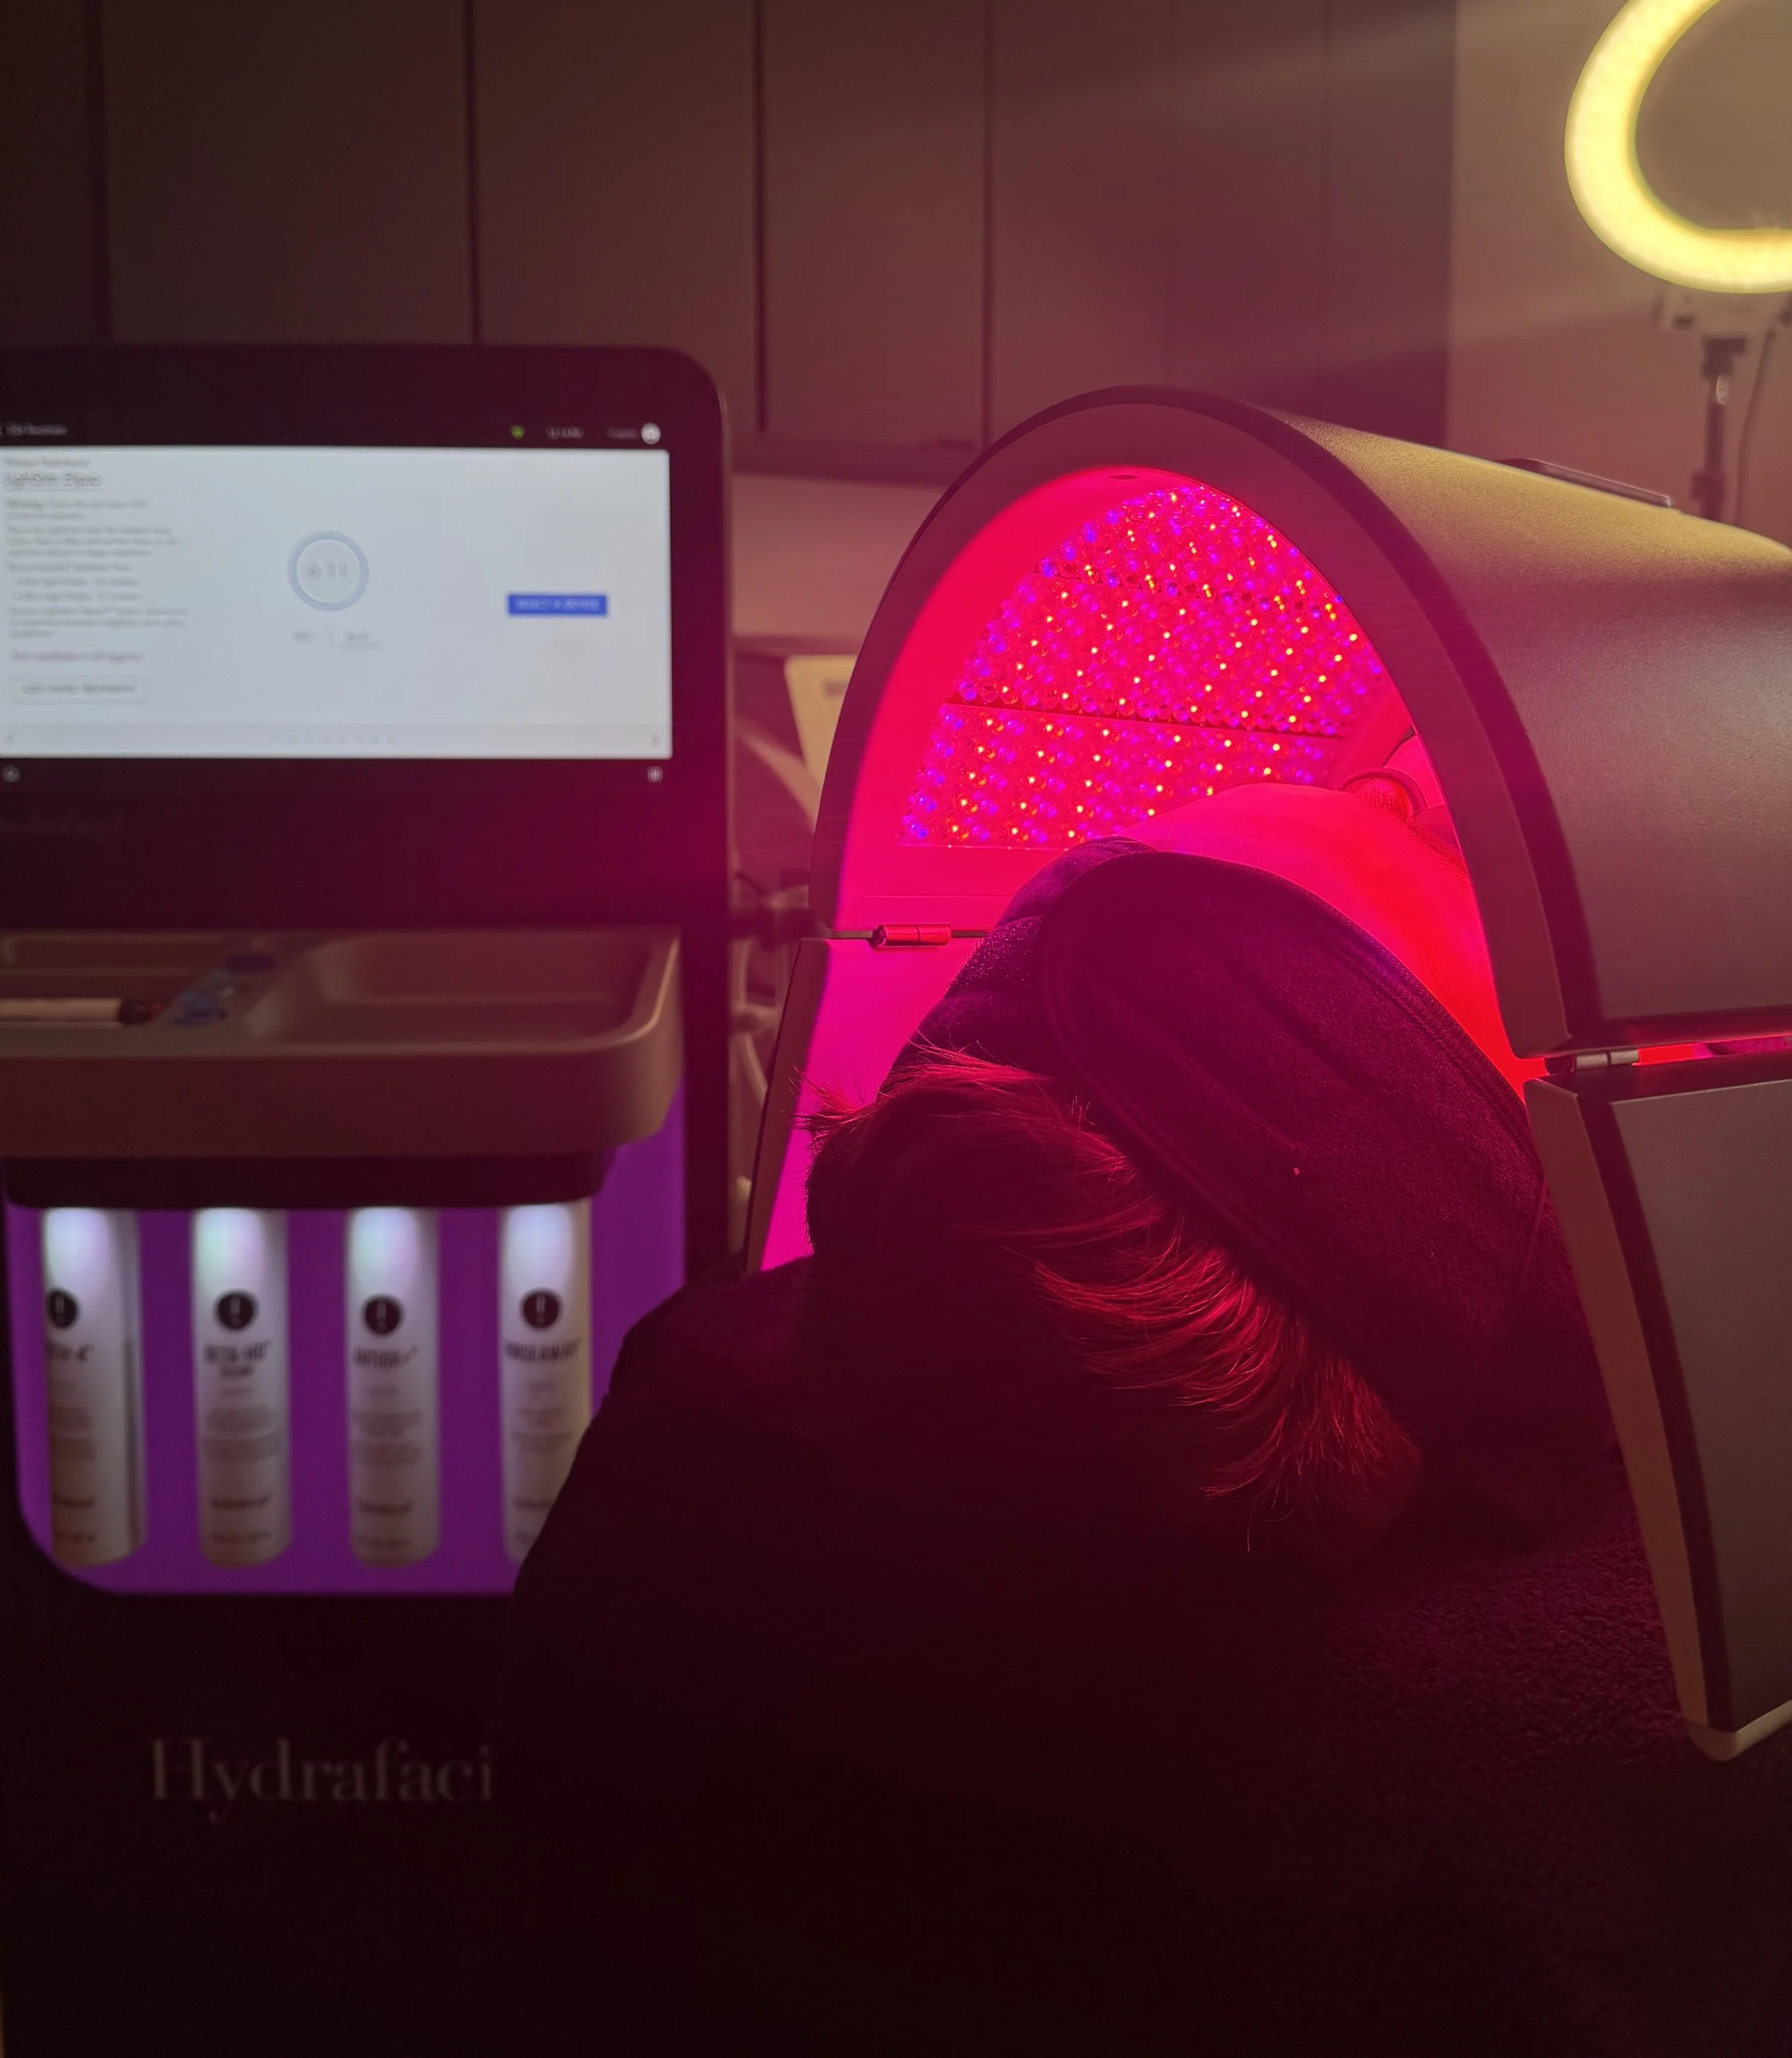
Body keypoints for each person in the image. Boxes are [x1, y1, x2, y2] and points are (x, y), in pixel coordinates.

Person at [499, 792, 1792, 2056]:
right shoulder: (1558, 1737)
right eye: (1424, 829)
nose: (1398, 781)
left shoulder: (693, 1379)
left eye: (1413, 823)